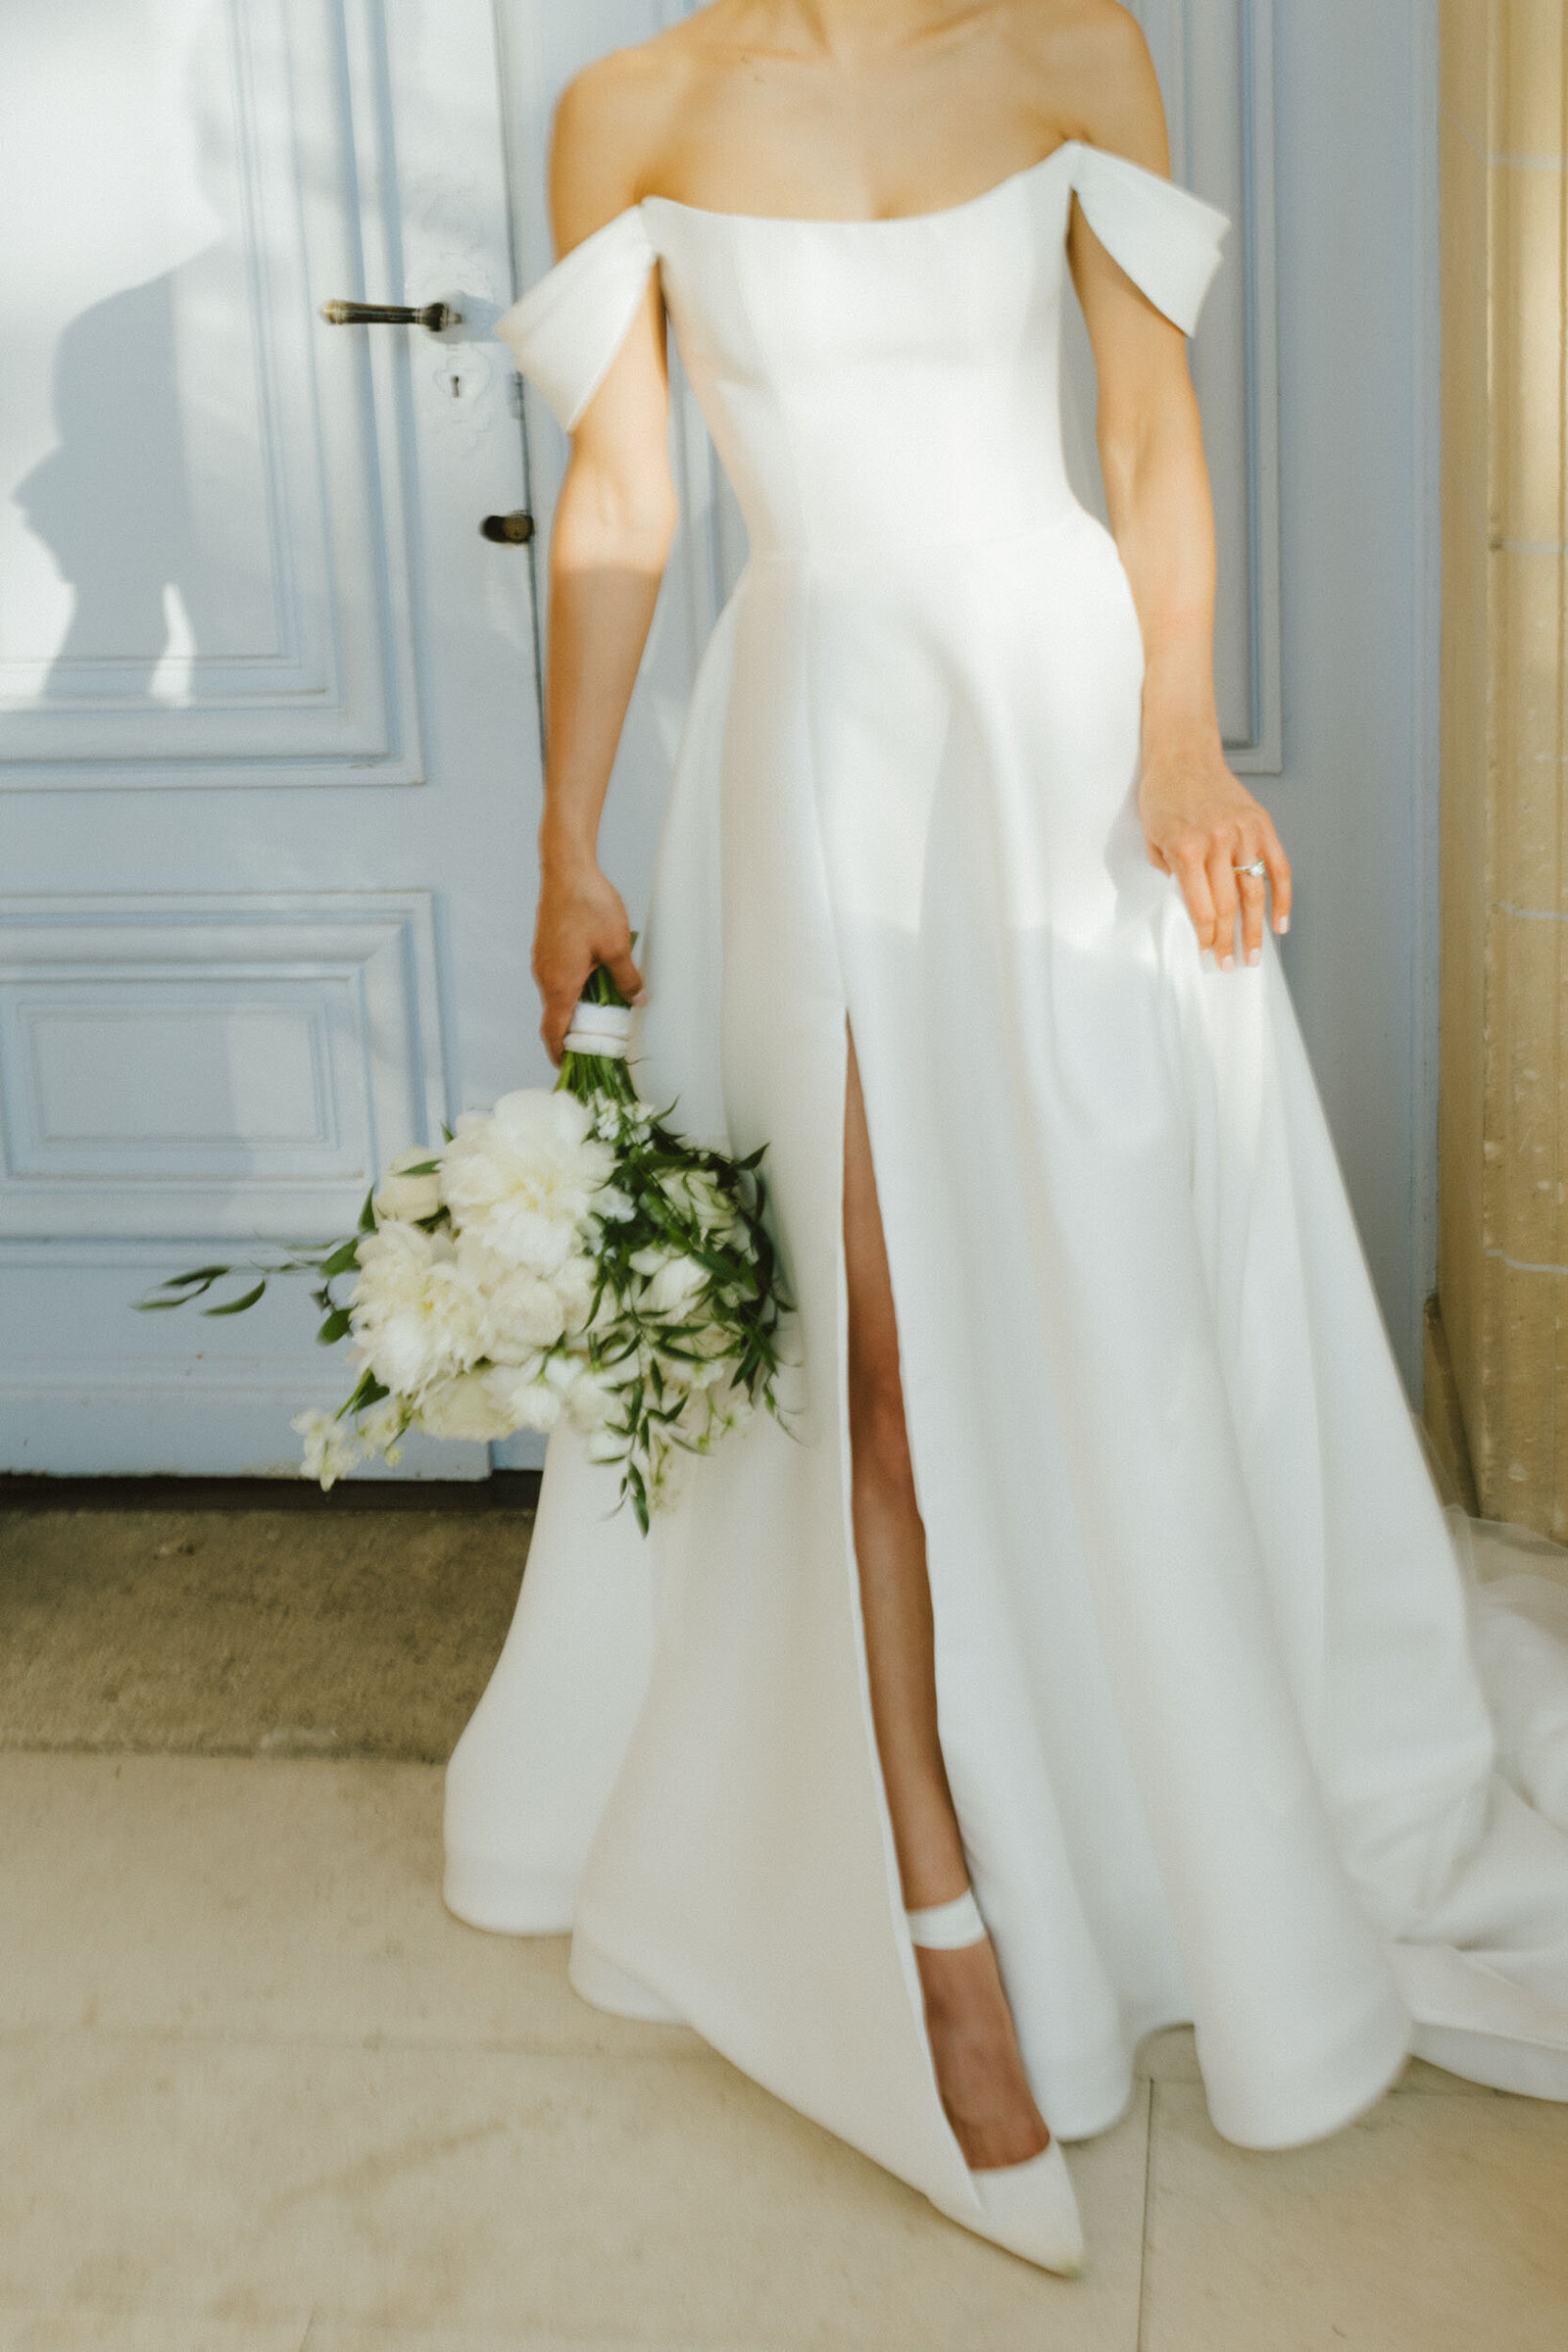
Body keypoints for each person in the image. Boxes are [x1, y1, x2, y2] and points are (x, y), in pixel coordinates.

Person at [444, 0, 1568, 2276]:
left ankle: (1142, 1805)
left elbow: (1145, 430)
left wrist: (1179, 743)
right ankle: (937, 1919)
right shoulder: (626, 107)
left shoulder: (1075, 49)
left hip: (1052, 734)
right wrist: (569, 833)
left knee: (1104, 1315)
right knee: (866, 1353)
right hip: (812, 745)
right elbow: (628, 494)